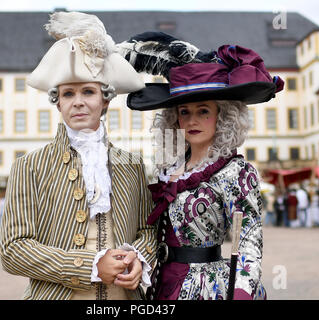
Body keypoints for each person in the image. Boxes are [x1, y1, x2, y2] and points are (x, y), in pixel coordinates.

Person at [0, 12, 156, 300]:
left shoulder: (132, 165)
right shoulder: (29, 166)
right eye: (68, 94)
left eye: (88, 91)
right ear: (57, 102)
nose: (79, 102)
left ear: (105, 100)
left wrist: (139, 257)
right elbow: (13, 250)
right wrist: (91, 267)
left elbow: (148, 230)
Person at [119, 32, 284, 300]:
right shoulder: (168, 169)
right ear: (175, 118)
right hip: (163, 281)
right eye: (185, 112)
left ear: (222, 115)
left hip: (207, 287)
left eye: (203, 110)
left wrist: (241, 292)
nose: (192, 120)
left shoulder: (236, 173)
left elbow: (250, 242)